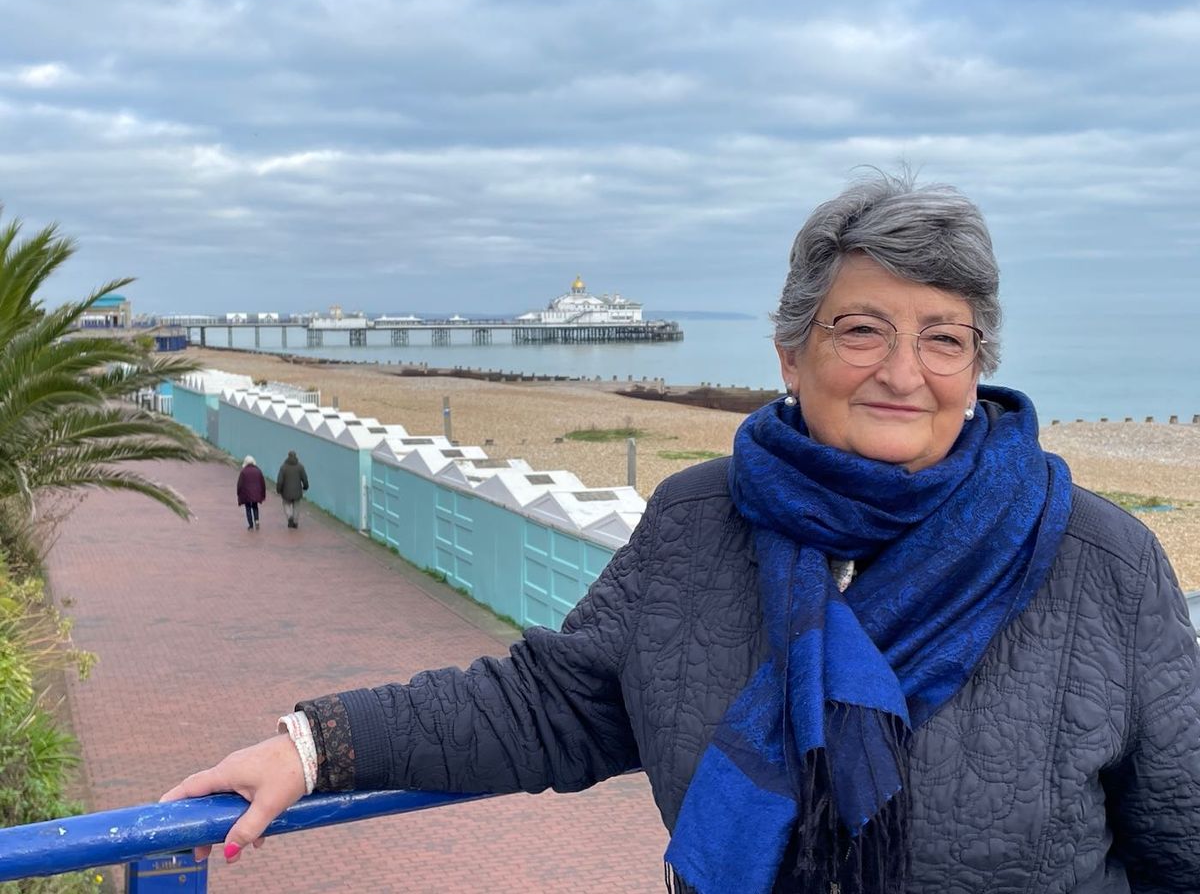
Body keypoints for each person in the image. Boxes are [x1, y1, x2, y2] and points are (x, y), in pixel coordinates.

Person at [163, 171, 1200, 892]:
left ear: (978, 364)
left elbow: (1182, 837)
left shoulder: (1091, 557)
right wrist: (313, 746)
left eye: (944, 338)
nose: (902, 370)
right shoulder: (703, 519)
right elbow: (553, 704)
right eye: (861, 328)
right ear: (791, 354)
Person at [275, 450, 308, 529]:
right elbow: (305, 479)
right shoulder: (300, 466)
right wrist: (305, 487)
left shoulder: (283, 467)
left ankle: (290, 517)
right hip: (297, 491)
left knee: (286, 504)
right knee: (296, 505)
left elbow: (280, 481)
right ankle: (295, 522)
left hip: (286, 491)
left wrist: (278, 490)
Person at [235, 456, 267, 531]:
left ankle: (251, 525)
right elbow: (262, 483)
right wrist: (263, 493)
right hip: (256, 493)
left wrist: (238, 492)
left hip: (246, 493)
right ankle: (257, 521)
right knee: (255, 506)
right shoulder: (258, 471)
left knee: (248, 508)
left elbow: (239, 484)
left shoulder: (243, 472)